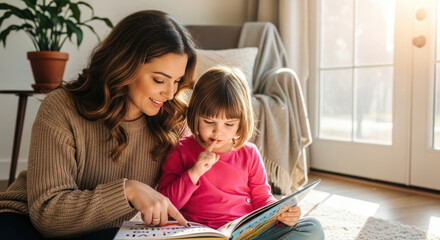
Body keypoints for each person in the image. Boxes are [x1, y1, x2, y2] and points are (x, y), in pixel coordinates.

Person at [0, 10, 196, 239]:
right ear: (125, 66)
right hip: (29, 221)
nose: (171, 93)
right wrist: (126, 190)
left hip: (105, 230)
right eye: (159, 80)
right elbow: (47, 215)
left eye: (177, 81)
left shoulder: (174, 119)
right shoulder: (62, 107)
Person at [158, 66, 324, 240]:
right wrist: (193, 173)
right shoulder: (180, 149)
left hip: (244, 234)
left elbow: (262, 199)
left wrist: (282, 212)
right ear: (195, 115)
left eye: (228, 124)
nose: (218, 132)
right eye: (209, 121)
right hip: (198, 234)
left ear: (241, 122)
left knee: (312, 227)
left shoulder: (249, 154)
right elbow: (166, 205)